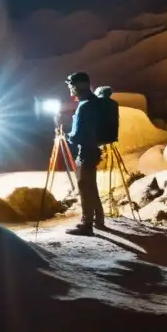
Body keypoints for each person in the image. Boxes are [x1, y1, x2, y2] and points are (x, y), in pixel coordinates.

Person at [66, 72, 105, 235]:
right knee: (91, 185)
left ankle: (86, 223)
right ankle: (99, 219)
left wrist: (68, 136)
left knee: (84, 186)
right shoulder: (96, 102)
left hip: (86, 151)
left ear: (77, 86)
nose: (70, 89)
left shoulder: (84, 106)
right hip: (94, 149)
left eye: (70, 86)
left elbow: (77, 135)